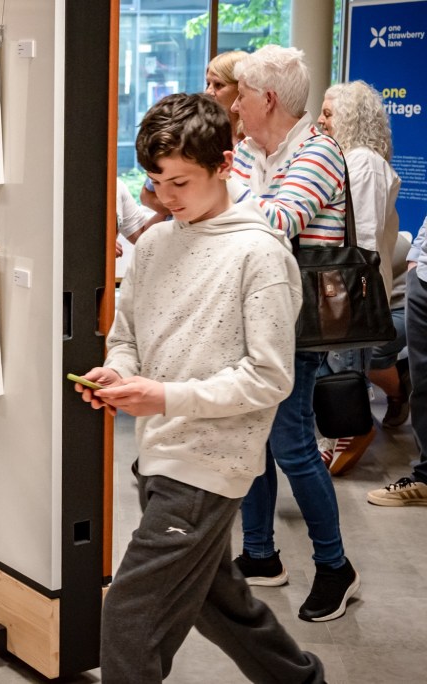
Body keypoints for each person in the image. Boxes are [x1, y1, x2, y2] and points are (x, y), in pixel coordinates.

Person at [74, 93, 322, 682]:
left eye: (181, 182)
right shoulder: (156, 242)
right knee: (219, 604)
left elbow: (268, 377)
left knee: (128, 619)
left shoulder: (259, 255)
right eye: (157, 183)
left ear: (225, 163)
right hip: (158, 454)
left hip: (209, 465)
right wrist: (120, 371)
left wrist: (161, 397)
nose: (166, 198)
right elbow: (126, 333)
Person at [228, 45, 360, 622]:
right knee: (251, 440)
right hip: (250, 312)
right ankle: (260, 555)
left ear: (269, 99)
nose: (234, 106)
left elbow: (276, 222)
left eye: (241, 95)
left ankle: (336, 567)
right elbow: (230, 213)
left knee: (291, 444)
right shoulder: (248, 152)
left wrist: (230, 204)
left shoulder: (319, 152)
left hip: (300, 318)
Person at [314, 80, 402, 474]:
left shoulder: (362, 162)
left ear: (351, 119)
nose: (320, 119)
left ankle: (347, 431)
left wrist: (344, 292)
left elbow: (361, 235)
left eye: (329, 113)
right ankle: (337, 431)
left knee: (343, 365)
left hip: (351, 284)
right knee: (337, 363)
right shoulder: (356, 159)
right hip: (344, 282)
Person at [140, 51, 246, 218]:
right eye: (208, 84)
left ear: (242, 88)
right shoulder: (193, 134)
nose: (209, 92)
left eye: (218, 85)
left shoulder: (253, 146)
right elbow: (147, 196)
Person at [368, 213, 427, 506]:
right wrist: (418, 256)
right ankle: (425, 479)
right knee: (423, 385)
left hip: (411, 290)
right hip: (424, 279)